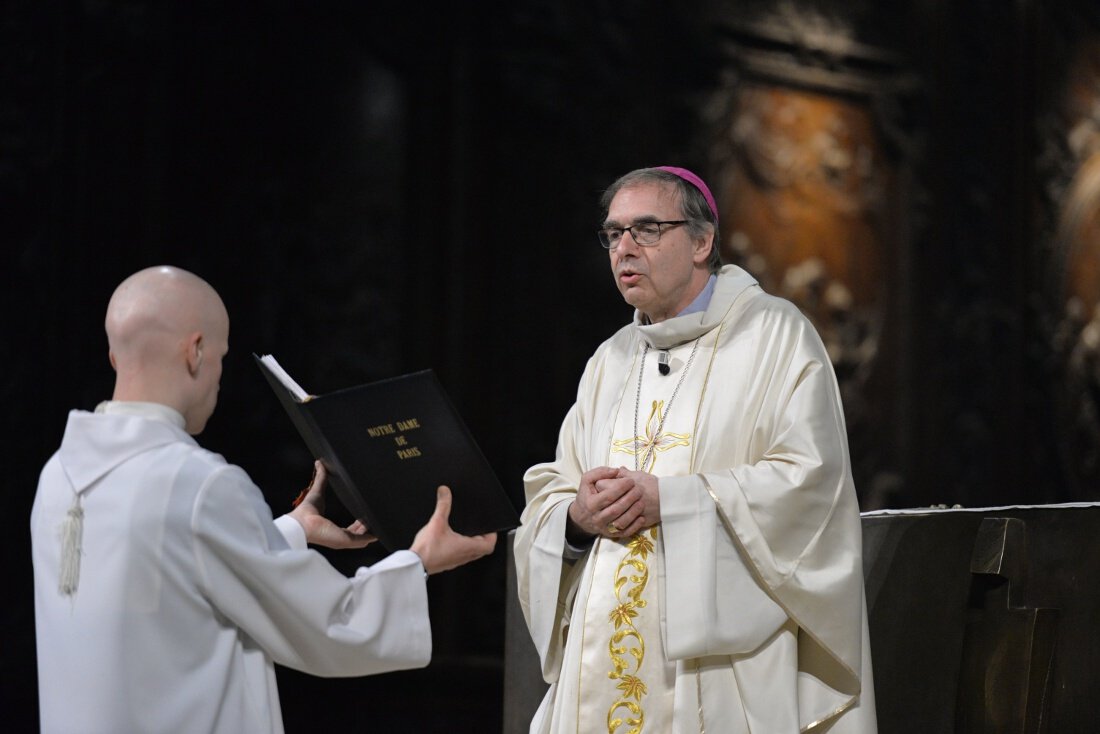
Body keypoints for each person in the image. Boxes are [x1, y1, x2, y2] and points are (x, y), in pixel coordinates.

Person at [31, 265, 497, 734]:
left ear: (114, 355)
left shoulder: (58, 477)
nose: (218, 376)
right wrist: (418, 562)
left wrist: (293, 530)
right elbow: (328, 621)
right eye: (221, 356)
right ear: (195, 352)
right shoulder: (197, 482)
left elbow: (168, 578)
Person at [513, 166, 876, 732]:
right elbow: (556, 488)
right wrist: (576, 520)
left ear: (703, 242)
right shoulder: (610, 359)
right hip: (600, 658)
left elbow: (812, 483)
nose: (624, 249)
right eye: (613, 234)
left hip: (719, 669)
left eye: (647, 229)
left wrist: (677, 502)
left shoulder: (774, 334)